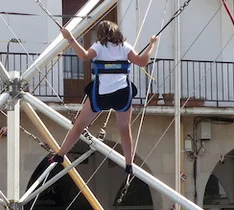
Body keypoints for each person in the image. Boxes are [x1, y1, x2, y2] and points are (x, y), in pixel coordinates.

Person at [49, 22, 159, 179]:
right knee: (124, 129)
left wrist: (70, 38)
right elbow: (142, 62)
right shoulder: (125, 47)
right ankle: (129, 165)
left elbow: (84, 56)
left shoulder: (99, 47)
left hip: (101, 95)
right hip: (122, 94)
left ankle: (60, 154)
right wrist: (152, 44)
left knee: (79, 126)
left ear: (101, 34)